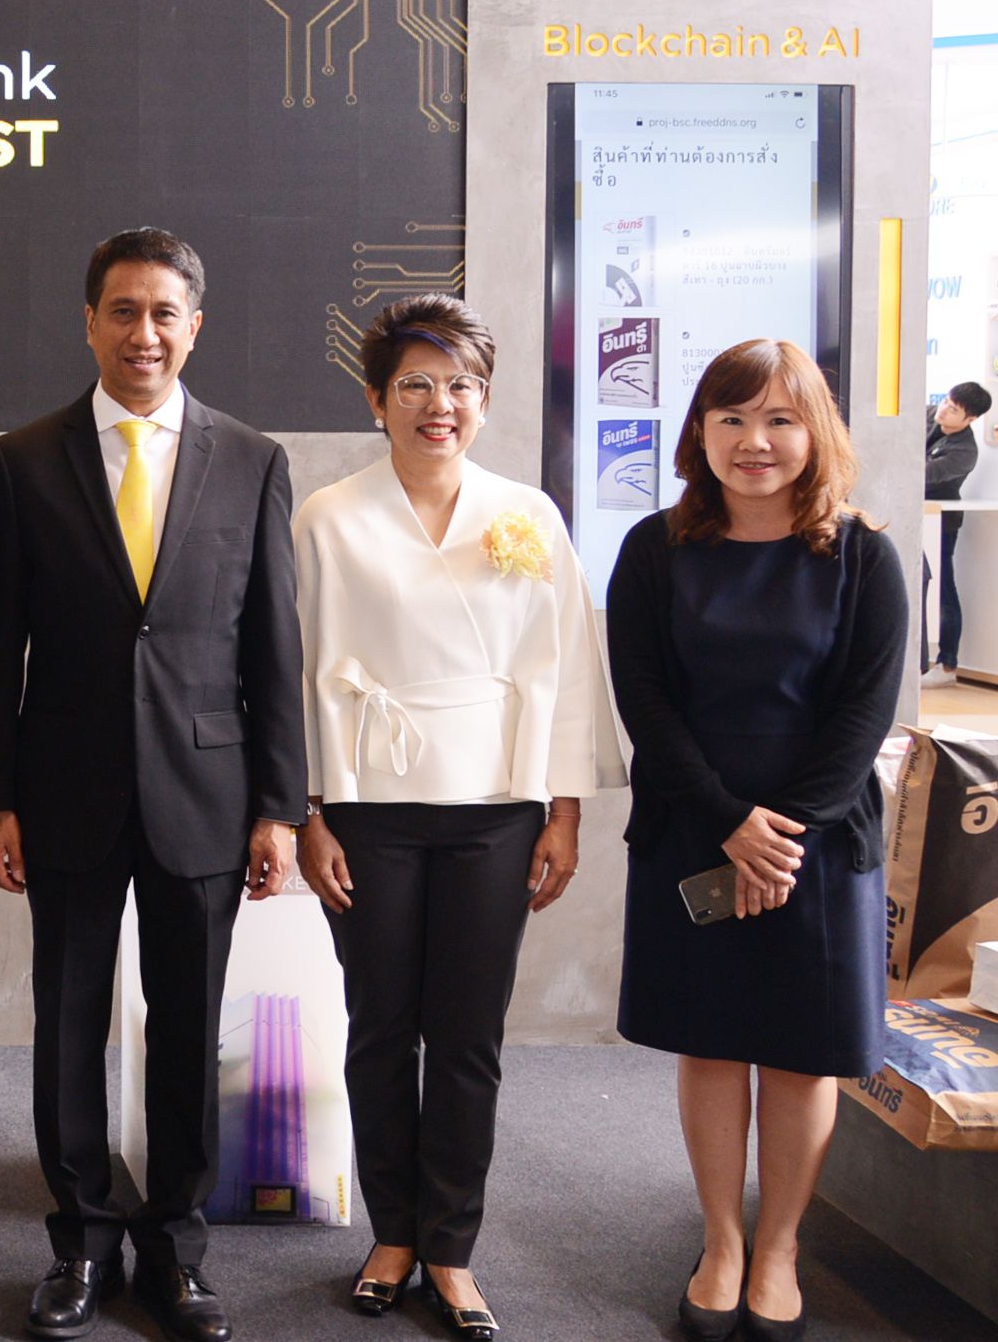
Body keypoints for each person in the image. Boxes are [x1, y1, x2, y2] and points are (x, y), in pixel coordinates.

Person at [0, 229, 307, 1342]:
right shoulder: (23, 460)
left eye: (165, 313)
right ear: (89, 323)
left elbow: (275, 649)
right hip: (62, 790)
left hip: (207, 793)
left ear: (194, 326)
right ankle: (80, 1242)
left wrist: (280, 805)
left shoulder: (252, 459)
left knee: (188, 1027)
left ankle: (176, 1248)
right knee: (67, 1027)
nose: (144, 333)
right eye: (123, 311)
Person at [291, 295, 621, 1341]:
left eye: (462, 386)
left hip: (497, 805)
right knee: (381, 1026)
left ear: (485, 399)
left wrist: (563, 810)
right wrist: (308, 811)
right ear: (377, 399)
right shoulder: (327, 515)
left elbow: (566, 668)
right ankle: (392, 1232)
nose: (441, 404)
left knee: (469, 1034)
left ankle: (451, 1247)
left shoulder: (528, 514)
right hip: (368, 803)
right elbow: (295, 669)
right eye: (417, 385)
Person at [610, 340, 908, 1342]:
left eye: (780, 419)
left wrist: (782, 833)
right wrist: (728, 822)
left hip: (816, 840)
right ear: (700, 431)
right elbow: (646, 702)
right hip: (693, 825)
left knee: (799, 1055)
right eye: (732, 418)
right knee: (711, 1044)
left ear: (814, 431)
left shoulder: (862, 555)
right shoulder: (655, 548)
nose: (755, 441)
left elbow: (864, 714)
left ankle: (777, 1248)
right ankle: (722, 1242)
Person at [920, 380, 989, 685]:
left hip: (941, 524)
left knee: (943, 589)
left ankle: (948, 664)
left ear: (970, 419)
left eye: (953, 409)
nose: (944, 410)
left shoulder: (964, 451)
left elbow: (919, 473)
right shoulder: (927, 414)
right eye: (946, 401)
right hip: (914, 515)